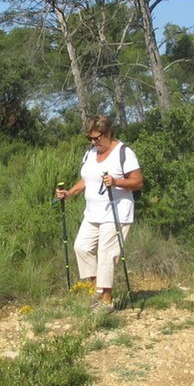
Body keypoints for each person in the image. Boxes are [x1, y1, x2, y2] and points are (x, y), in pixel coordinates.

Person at [56, 114, 143, 313]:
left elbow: (138, 182)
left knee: (106, 254)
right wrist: (69, 193)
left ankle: (106, 301)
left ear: (108, 133)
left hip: (117, 212)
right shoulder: (90, 154)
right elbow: (87, 180)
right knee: (81, 247)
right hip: (93, 213)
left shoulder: (124, 152)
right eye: (90, 138)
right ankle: (98, 289)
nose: (94, 142)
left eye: (97, 138)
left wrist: (116, 181)